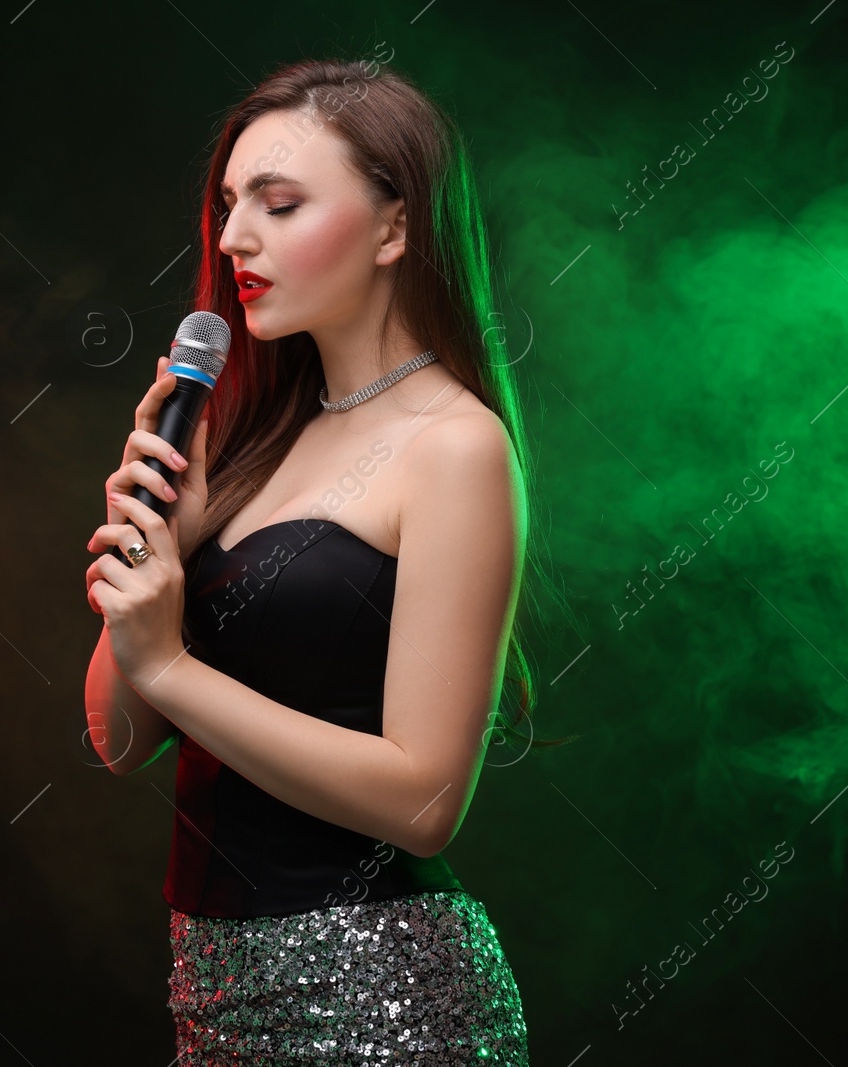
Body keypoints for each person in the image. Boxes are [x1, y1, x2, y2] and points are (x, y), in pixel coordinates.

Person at [84, 57, 565, 1064]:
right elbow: (119, 736)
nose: (233, 238)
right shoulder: (251, 435)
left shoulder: (454, 444)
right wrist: (157, 546)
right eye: (228, 204)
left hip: (382, 1002)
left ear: (395, 227)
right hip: (216, 1010)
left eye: (280, 202)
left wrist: (173, 661)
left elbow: (425, 801)